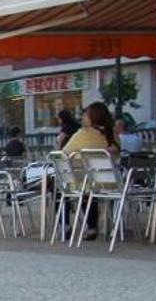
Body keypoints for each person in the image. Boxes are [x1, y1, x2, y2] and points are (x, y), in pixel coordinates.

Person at [62, 102, 120, 240]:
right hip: (111, 183)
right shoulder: (113, 135)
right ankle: (93, 227)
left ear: (93, 117)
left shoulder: (83, 134)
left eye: (85, 114)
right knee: (89, 186)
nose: (82, 117)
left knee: (61, 185)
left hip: (86, 183)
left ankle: (65, 224)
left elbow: (65, 154)